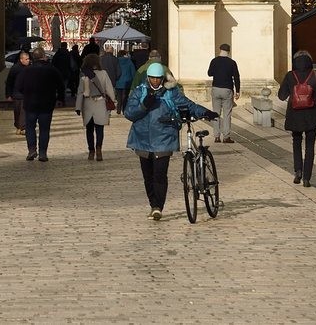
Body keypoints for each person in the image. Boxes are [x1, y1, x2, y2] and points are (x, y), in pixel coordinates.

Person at [123, 62, 216, 220]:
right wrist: (144, 106)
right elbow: (129, 113)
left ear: (162, 78)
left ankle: (158, 206)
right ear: (148, 78)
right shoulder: (140, 92)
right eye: (152, 78)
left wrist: (205, 112)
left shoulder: (171, 92)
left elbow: (188, 105)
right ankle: (153, 204)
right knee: (148, 176)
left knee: (160, 174)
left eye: (158, 78)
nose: (155, 81)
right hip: (143, 139)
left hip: (164, 138)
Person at [279, 50, 316, 187]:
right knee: (310, 146)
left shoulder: (290, 75)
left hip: (295, 115)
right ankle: (307, 178)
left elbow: (281, 95)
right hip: (312, 115)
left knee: (296, 143)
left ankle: (298, 171)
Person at [15, 46, 65, 162]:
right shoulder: (52, 70)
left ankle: (32, 149)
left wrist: (26, 93)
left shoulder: (26, 71)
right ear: (44, 56)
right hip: (47, 103)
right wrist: (60, 99)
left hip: (30, 103)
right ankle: (43, 153)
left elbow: (18, 86)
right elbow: (61, 86)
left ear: (33, 57)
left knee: (30, 128)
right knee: (44, 129)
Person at [75, 52, 116, 161]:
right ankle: (99, 149)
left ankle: (91, 151)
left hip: (88, 104)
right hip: (101, 103)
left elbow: (80, 92)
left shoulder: (84, 74)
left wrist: (78, 107)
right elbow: (109, 88)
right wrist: (113, 100)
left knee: (89, 130)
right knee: (99, 129)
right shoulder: (104, 73)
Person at [207, 44, 241, 144]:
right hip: (227, 89)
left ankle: (217, 136)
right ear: (228, 52)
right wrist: (237, 91)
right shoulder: (232, 62)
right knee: (227, 114)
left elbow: (209, 73)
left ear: (220, 50)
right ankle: (226, 137)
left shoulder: (214, 61)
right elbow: (236, 77)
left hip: (216, 88)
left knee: (215, 113)